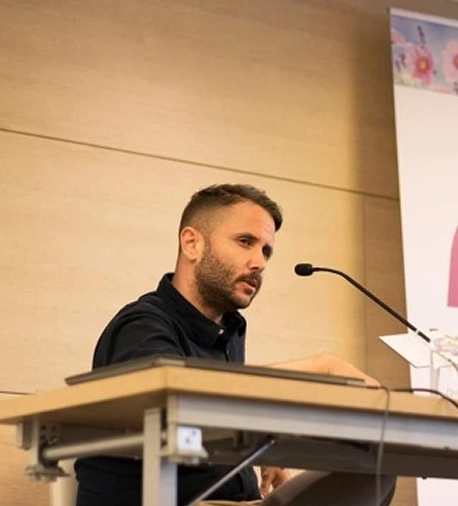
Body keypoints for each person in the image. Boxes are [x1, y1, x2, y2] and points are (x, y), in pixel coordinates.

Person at [75, 183, 396, 506]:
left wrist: (262, 445)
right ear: (192, 243)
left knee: (377, 468)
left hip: (244, 501)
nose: (259, 263)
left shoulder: (229, 330)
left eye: (266, 251)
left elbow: (219, 420)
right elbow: (179, 404)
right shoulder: (140, 326)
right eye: (245, 242)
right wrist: (323, 367)